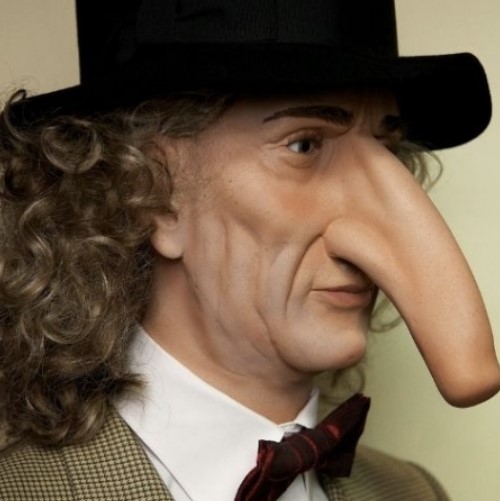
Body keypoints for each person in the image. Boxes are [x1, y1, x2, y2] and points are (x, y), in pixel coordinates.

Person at [0, 1, 499, 500]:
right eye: (304, 145)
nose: (374, 225)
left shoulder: (415, 492)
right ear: (150, 189)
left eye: (387, 148)